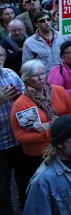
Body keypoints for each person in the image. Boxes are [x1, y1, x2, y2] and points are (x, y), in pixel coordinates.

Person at [9, 60, 71, 203]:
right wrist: (47, 133)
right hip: (38, 156)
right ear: (27, 79)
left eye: (42, 74)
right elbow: (20, 137)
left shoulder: (59, 91)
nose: (41, 78)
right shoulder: (21, 104)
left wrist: (53, 125)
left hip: (64, 148)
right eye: (35, 75)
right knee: (46, 195)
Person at [0, 45, 26, 214]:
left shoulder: (10, 73)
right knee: (2, 189)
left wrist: (19, 97)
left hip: (18, 139)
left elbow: (26, 96)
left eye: (1, 55)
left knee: (25, 180)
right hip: (0, 145)